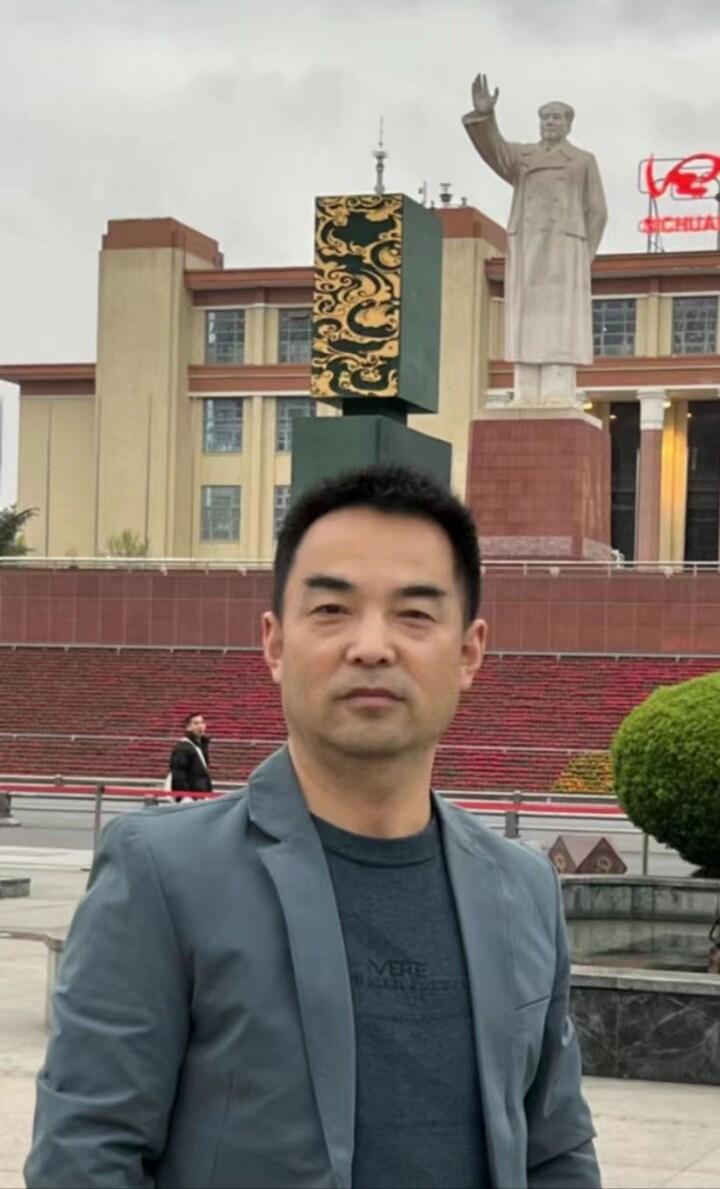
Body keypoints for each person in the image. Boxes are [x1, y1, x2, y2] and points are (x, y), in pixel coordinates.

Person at [25, 465, 600, 1189]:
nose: (372, 646)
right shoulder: (164, 875)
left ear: (469, 652)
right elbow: (85, 1157)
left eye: (414, 614)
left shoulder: (524, 887)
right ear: (274, 643)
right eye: (332, 609)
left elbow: (556, 1151)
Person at [462, 74, 607, 406]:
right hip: (528, 244)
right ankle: (525, 387)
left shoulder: (582, 160)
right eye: (544, 118)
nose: (549, 123)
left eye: (556, 118)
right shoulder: (523, 157)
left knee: (560, 316)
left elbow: (597, 210)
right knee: (525, 312)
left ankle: (558, 387)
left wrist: (582, 255)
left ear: (568, 124)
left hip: (565, 248)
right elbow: (495, 150)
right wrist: (486, 116)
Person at [167, 711, 212, 799]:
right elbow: (178, 775)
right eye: (196, 723)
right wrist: (184, 797)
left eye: (202, 723)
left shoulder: (201, 747)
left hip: (201, 796)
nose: (200, 726)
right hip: (192, 798)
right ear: (188, 727)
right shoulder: (183, 748)